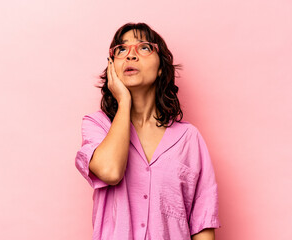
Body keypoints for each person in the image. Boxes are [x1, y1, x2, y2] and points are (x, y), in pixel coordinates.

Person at [75, 22, 221, 240]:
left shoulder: (189, 139)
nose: (131, 55)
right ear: (112, 66)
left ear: (161, 66)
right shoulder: (96, 126)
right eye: (122, 50)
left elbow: (202, 224)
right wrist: (124, 101)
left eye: (144, 47)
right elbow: (111, 171)